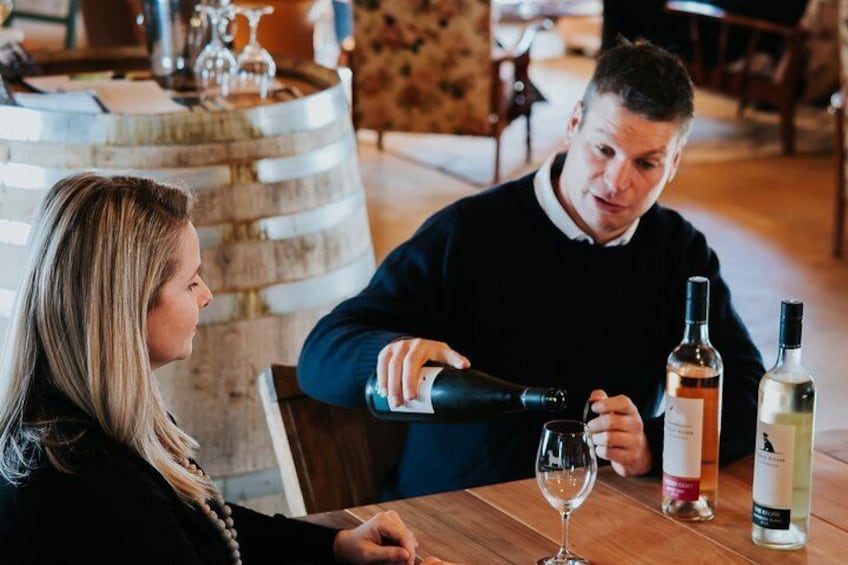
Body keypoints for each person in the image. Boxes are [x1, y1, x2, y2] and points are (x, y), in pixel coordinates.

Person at [298, 41, 765, 500]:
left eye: (646, 164)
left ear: (675, 164)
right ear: (573, 125)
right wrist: (390, 352)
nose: (618, 182)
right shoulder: (468, 232)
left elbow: (747, 392)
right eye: (603, 149)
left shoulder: (679, 251)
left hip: (599, 520)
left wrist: (655, 446)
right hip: (455, 520)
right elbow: (320, 357)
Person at [0, 172, 458, 565]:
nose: (207, 295)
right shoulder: (87, 484)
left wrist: (334, 544)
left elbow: (203, 521)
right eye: (191, 281)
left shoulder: (86, 422)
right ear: (128, 307)